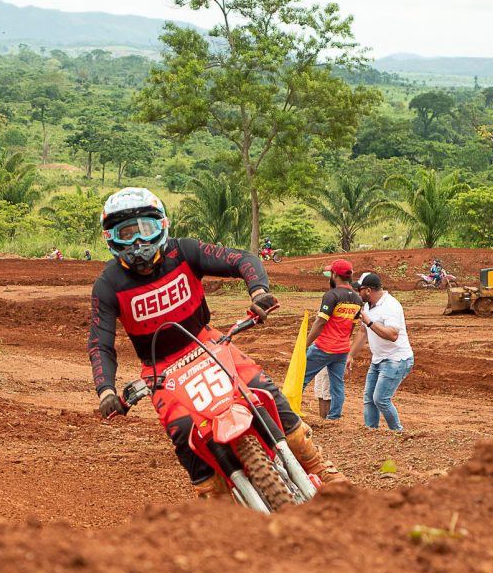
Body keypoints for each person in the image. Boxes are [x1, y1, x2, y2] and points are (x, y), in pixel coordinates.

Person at [88, 187, 345, 498]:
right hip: (160, 369)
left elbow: (242, 259)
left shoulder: (183, 251)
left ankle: (319, 467)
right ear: (111, 238)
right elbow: (100, 342)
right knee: (183, 433)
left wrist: (259, 292)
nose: (138, 242)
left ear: (162, 225)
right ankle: (217, 504)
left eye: (146, 229)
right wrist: (106, 391)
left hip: (209, 344)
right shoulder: (108, 285)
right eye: (127, 234)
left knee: (265, 393)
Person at [348, 272, 414, 432]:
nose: (358, 293)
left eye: (360, 290)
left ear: (368, 290)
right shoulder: (367, 305)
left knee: (381, 399)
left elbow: (392, 335)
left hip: (396, 359)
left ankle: (398, 432)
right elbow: (363, 332)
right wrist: (350, 354)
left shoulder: (391, 306)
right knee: (369, 399)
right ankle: (371, 432)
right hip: (379, 359)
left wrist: (370, 322)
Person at [301, 259, 363, 421]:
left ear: (335, 275)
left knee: (300, 377)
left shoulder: (331, 295)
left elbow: (321, 322)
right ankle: (334, 417)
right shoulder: (357, 299)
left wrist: (304, 345)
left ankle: (288, 413)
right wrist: (342, 342)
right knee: (337, 386)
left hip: (324, 347)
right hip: (342, 350)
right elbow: (351, 327)